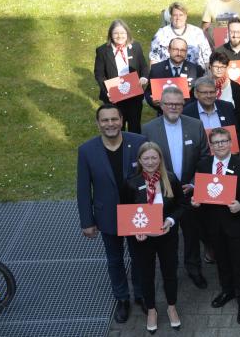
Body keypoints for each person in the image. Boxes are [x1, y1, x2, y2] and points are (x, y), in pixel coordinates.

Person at [77, 104, 148, 323]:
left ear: (121, 119)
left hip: (137, 214)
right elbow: (83, 188)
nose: (110, 124)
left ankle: (141, 294)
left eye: (114, 119)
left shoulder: (138, 142)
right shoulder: (87, 150)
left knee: (139, 257)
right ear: (98, 123)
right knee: (114, 260)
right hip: (108, 215)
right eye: (105, 120)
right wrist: (87, 221)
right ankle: (122, 299)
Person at [141, 87, 209, 290]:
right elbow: (145, 160)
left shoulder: (196, 125)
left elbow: (205, 158)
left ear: (183, 105)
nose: (173, 107)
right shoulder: (148, 129)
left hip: (189, 191)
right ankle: (169, 273)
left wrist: (196, 183)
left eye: (178, 104)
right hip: (163, 193)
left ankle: (194, 269)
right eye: (169, 103)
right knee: (167, 235)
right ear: (160, 105)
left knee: (192, 233)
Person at [192, 127, 240, 325]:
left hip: (236, 224)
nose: (220, 145)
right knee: (222, 261)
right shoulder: (203, 165)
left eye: (223, 141)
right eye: (216, 142)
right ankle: (227, 291)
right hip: (213, 224)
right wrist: (196, 201)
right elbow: (200, 191)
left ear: (231, 143)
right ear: (210, 146)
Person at [124, 142, 187, 332]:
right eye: (146, 158)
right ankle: (151, 310)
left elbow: (182, 206)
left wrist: (170, 220)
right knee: (146, 275)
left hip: (167, 236)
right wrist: (136, 230)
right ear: (140, 161)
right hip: (142, 240)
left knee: (170, 272)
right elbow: (126, 213)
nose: (150, 162)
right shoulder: (131, 184)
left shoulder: (171, 179)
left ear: (160, 158)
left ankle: (171, 306)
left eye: (154, 157)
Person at [94, 19, 149, 133]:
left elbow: (143, 66)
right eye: (116, 33)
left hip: (134, 95)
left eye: (123, 33)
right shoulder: (102, 51)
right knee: (117, 127)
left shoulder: (136, 47)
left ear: (127, 33)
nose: (120, 36)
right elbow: (99, 74)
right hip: (113, 96)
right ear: (110, 34)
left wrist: (143, 77)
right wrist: (107, 91)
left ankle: (135, 149)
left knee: (135, 126)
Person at [146, 37, 205, 113]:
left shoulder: (196, 70)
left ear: (186, 52)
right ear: (169, 50)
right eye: (175, 49)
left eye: (183, 50)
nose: (179, 53)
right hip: (164, 113)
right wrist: (152, 101)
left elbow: (200, 93)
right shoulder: (157, 69)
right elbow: (149, 92)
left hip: (189, 114)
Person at [150, 2, 211, 67]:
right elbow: (154, 58)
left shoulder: (198, 32)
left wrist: (209, 75)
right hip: (167, 74)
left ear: (186, 16)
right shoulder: (161, 33)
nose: (178, 18)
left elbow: (207, 56)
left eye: (181, 15)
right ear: (171, 17)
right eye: (175, 15)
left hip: (195, 73)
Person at [208, 51, 240, 121]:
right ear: (210, 66)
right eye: (216, 66)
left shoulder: (235, 87)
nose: (219, 69)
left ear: (226, 67)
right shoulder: (203, 85)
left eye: (223, 66)